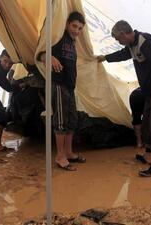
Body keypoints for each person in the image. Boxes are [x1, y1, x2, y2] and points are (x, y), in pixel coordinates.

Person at [98, 20, 151, 177]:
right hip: (149, 90)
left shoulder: (145, 41)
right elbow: (123, 54)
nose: (119, 42)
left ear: (124, 34)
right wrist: (105, 57)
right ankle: (148, 155)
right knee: (147, 123)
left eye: (119, 39)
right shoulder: (132, 46)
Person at [37, 11, 86, 171]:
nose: (76, 30)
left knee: (72, 120)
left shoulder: (73, 43)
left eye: (79, 28)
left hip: (70, 87)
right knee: (61, 121)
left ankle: (69, 152)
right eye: (74, 26)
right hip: (58, 85)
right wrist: (49, 57)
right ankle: (60, 156)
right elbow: (40, 53)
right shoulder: (59, 37)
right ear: (66, 24)